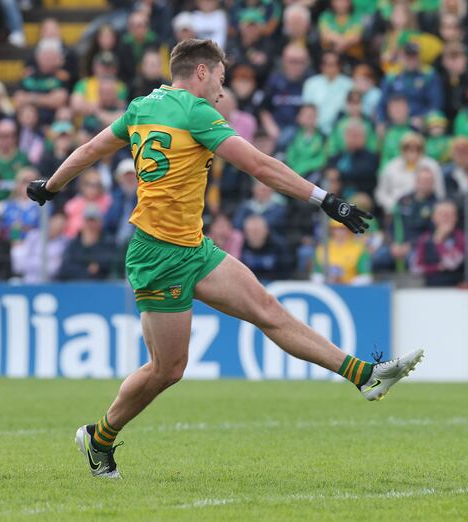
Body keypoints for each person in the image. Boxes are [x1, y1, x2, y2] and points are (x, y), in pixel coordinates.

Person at [27, 39, 422, 478]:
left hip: (191, 247)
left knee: (267, 310)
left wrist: (50, 186)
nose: (222, 86)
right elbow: (260, 166)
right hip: (159, 255)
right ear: (201, 71)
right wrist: (325, 199)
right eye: (220, 76)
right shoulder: (196, 112)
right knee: (167, 370)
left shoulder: (142, 107)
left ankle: (364, 375)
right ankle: (98, 438)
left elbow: (89, 151)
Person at [376, 133, 444, 213]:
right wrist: (394, 206)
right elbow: (381, 193)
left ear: (423, 149)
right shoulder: (391, 167)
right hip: (396, 210)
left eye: (417, 148)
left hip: (426, 210)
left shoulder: (432, 165)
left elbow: (440, 192)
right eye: (408, 148)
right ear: (401, 149)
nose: (413, 151)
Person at [411, 200, 466, 287]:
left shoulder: (461, 237)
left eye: (450, 214)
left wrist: (439, 241)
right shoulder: (425, 238)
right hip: (430, 287)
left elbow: (452, 263)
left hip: (456, 287)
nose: (446, 218)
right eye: (442, 214)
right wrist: (437, 267)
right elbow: (416, 268)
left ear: (456, 218)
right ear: (434, 218)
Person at [57, 204, 117, 280]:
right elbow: (64, 269)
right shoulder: (74, 244)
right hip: (76, 284)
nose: (90, 224)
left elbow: (112, 263)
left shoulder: (108, 242)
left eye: (94, 221)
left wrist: (98, 266)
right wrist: (87, 270)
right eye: (88, 220)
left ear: (100, 222)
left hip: (100, 284)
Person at [302, 51, 354, 135]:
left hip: (341, 129)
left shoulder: (349, 84)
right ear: (321, 66)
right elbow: (307, 110)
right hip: (315, 130)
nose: (330, 68)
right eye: (327, 64)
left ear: (339, 66)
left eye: (333, 64)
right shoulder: (311, 83)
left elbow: (352, 110)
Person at [11, 212, 69, 283]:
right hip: (27, 282)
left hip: (50, 284)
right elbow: (18, 265)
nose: (56, 228)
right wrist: (15, 231)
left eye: (60, 226)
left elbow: (54, 270)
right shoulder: (33, 235)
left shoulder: (64, 243)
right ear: (49, 222)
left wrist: (32, 263)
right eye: (55, 224)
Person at [313, 219, 373, 285]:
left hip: (351, 287)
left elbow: (365, 277)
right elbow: (317, 274)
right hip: (327, 286)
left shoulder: (360, 249)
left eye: (343, 228)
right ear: (331, 230)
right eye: (335, 228)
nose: (339, 231)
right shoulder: (322, 248)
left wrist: (347, 284)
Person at [0, 119, 29, 201]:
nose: (5, 140)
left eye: (9, 136)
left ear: (15, 137)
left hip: (16, 202)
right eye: (1, 136)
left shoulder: (23, 158)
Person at [240, 214, 292, 282]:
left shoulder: (278, 246)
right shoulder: (240, 246)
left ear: (266, 230)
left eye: (258, 230)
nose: (255, 234)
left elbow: (286, 271)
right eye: (251, 231)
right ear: (245, 232)